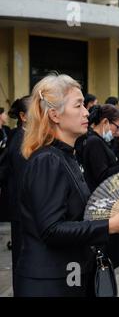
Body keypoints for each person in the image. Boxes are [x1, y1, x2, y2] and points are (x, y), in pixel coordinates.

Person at [16, 74, 119, 297]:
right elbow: (51, 229)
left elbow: (73, 216)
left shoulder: (65, 155)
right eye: (78, 105)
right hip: (51, 283)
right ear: (54, 114)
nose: (86, 112)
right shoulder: (48, 160)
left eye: (84, 104)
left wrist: (110, 215)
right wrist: (110, 225)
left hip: (68, 275)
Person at [76, 104, 119, 269]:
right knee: (103, 259)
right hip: (101, 206)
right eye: (117, 127)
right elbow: (103, 176)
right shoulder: (93, 142)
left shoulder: (97, 141)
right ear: (105, 122)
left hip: (105, 203)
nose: (118, 131)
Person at [4, 96, 29, 293]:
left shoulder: (21, 136)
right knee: (22, 257)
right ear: (23, 116)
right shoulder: (21, 139)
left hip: (20, 208)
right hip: (21, 209)